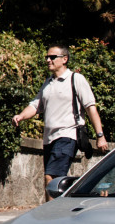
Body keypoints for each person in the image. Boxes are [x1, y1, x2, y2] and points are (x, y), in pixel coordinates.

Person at [12, 45, 109, 198]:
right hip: (49, 138)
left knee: (51, 178)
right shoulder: (48, 83)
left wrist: (100, 135)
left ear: (65, 59)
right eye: (47, 57)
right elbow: (35, 105)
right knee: (52, 180)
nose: (48, 60)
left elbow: (91, 108)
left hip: (67, 135)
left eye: (52, 57)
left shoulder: (76, 79)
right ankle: (60, 208)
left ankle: (52, 217)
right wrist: (21, 116)